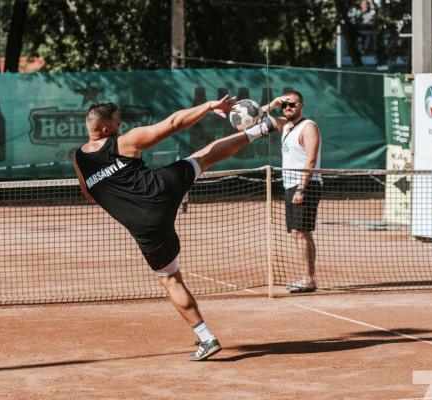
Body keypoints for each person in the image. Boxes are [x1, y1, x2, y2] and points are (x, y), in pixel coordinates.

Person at [73, 95, 276, 361]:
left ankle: (206, 338)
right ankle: (260, 129)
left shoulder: (78, 159)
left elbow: (89, 194)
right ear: (105, 130)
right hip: (162, 187)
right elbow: (173, 123)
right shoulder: (124, 142)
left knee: (171, 280)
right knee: (203, 159)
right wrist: (208, 106)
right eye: (116, 121)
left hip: (145, 227)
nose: (120, 123)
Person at [260, 91, 323, 294]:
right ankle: (308, 278)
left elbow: (311, 161)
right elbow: (256, 117)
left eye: (292, 105)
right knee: (299, 233)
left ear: (301, 105)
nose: (287, 108)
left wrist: (301, 189)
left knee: (300, 232)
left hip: (306, 185)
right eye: (284, 106)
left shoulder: (309, 127)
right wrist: (273, 103)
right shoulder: (286, 126)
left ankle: (309, 280)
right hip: (291, 185)